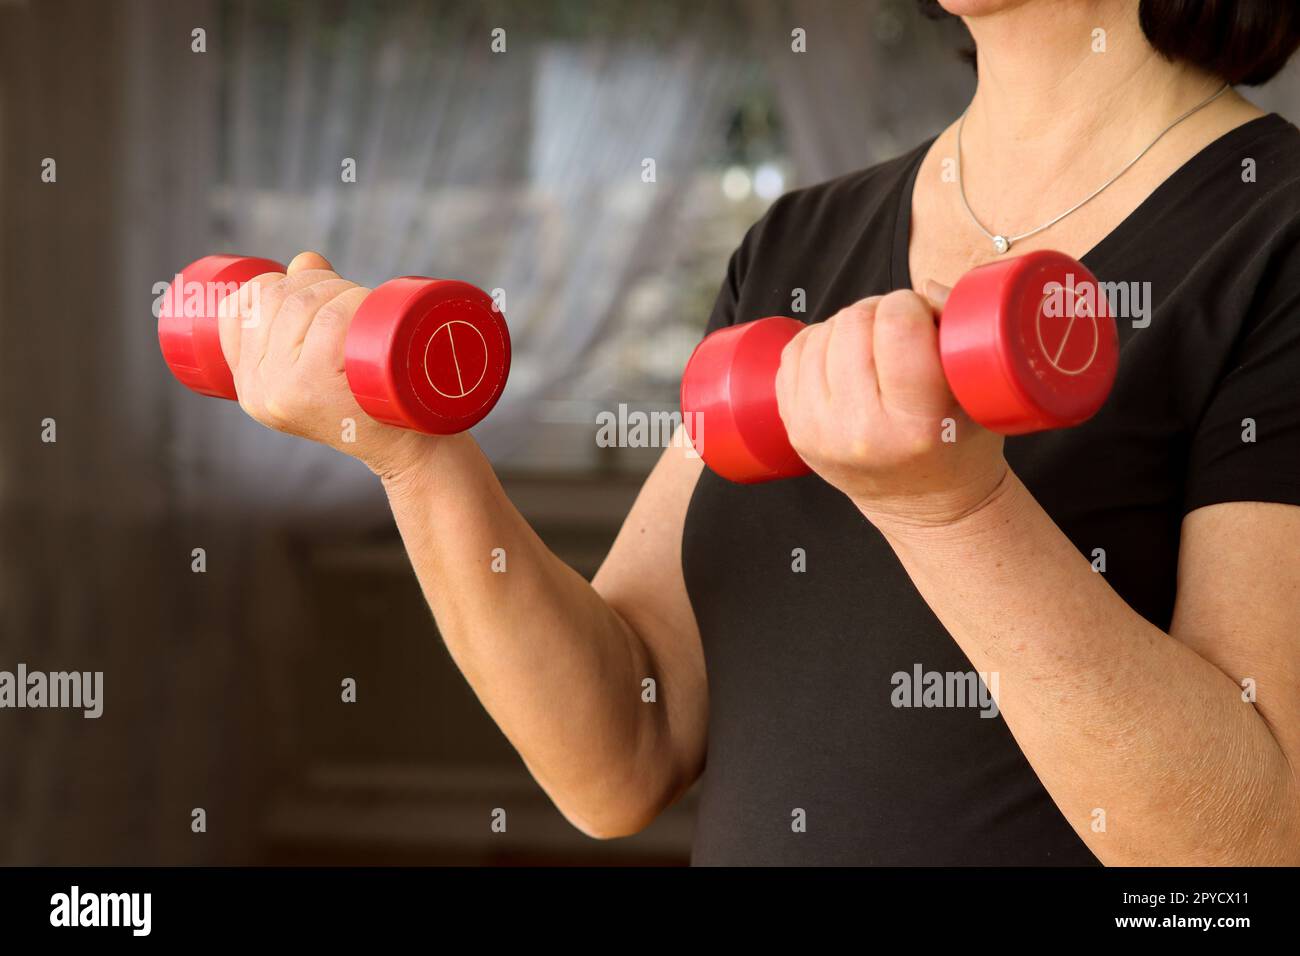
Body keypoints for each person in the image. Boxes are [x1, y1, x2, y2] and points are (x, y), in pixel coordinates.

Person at [214, 0, 1300, 864]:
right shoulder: (797, 240)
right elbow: (622, 751)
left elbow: (1250, 844)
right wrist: (412, 448)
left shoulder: (1272, 238)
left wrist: (948, 507)